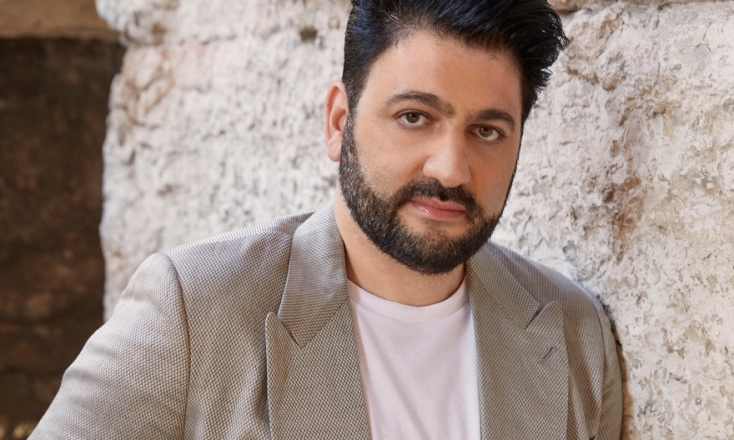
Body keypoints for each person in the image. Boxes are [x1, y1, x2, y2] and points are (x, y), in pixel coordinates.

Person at [31, 0, 623, 438]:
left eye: (487, 131)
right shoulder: (193, 311)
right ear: (339, 122)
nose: (451, 168)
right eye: (414, 117)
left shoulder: (574, 331)